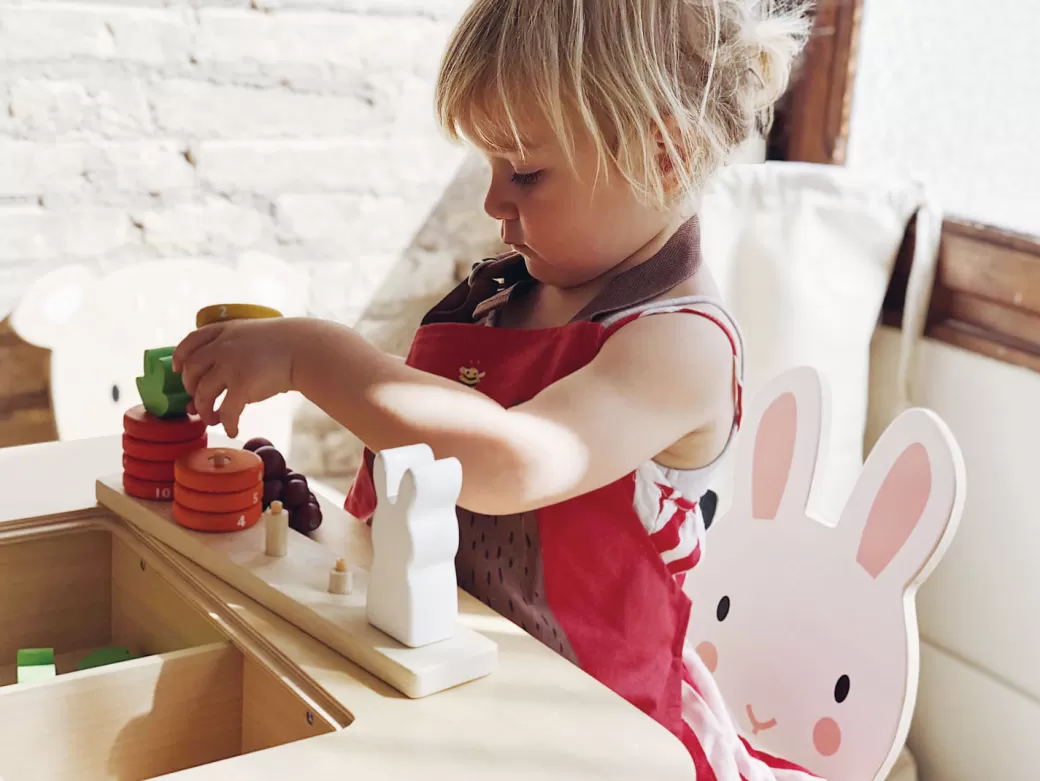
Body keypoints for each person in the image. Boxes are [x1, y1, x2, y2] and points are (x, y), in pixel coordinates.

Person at [173, 1, 816, 777]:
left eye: (526, 172)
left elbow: (512, 464)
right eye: (488, 166)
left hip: (589, 737)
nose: (492, 203)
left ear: (666, 156)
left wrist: (317, 356)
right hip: (438, 689)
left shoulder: (679, 345)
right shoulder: (496, 298)